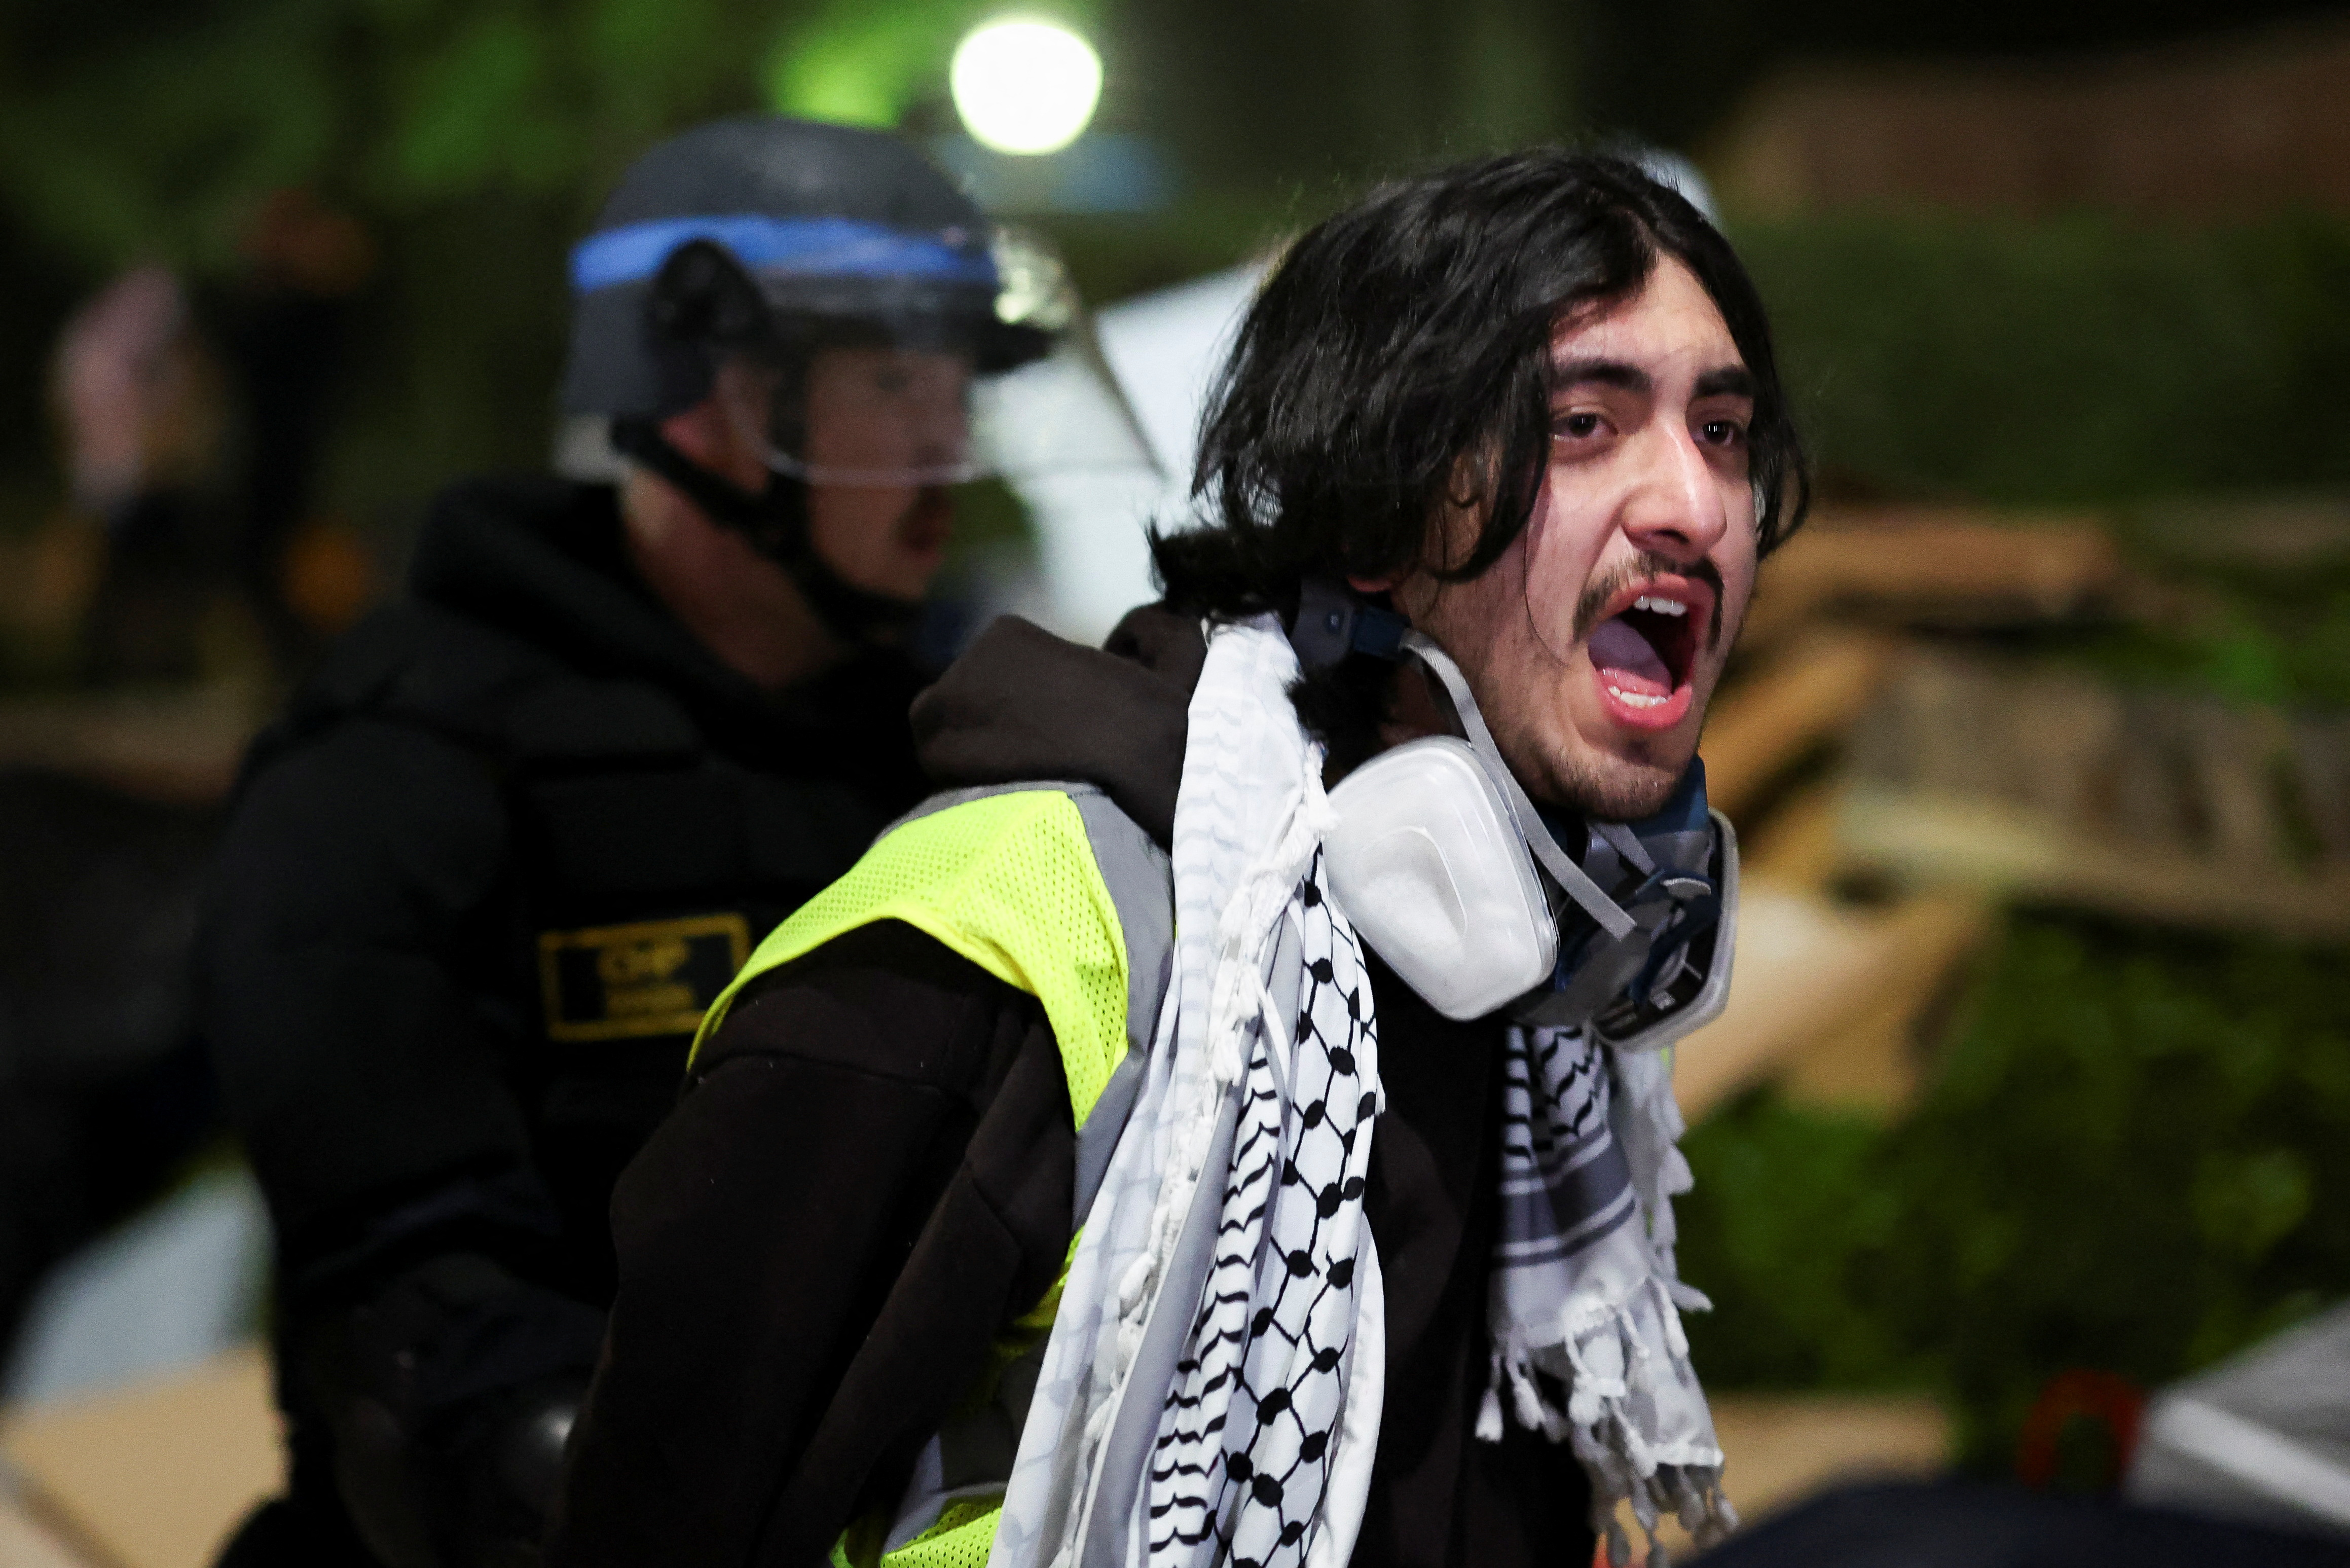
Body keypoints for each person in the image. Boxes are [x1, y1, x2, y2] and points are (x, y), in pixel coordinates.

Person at [548, 149, 1812, 1568]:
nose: (1694, 508)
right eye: (1584, 423)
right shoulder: (969, 961)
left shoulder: (1521, 992)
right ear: (1378, 510)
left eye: (1721, 433)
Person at [200, 117, 1114, 1567]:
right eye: (893, 381)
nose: (948, 440)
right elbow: (408, 1325)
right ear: (709, 400)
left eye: (962, 384)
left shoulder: (931, 745)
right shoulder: (393, 768)